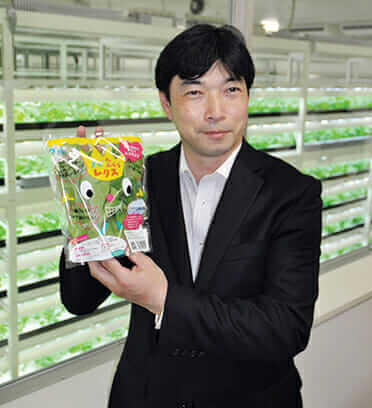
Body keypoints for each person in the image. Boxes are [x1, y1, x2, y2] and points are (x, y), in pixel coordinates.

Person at [59, 24, 322, 408]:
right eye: (195, 92)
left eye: (231, 90)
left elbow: (285, 329)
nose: (216, 112)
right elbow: (79, 298)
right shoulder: (138, 182)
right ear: (166, 104)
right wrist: (86, 211)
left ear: (248, 96)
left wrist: (164, 299)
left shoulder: (291, 193)